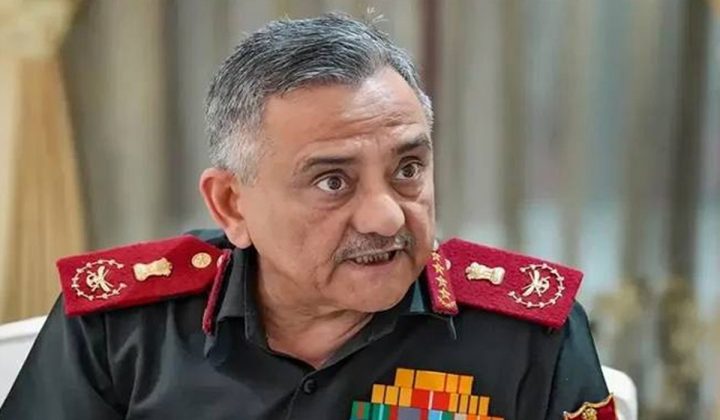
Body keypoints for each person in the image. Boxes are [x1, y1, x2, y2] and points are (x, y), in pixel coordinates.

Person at [0, 14, 616, 420]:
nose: (385, 217)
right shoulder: (118, 331)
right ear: (231, 204)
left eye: (407, 169)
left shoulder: (530, 334)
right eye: (332, 181)